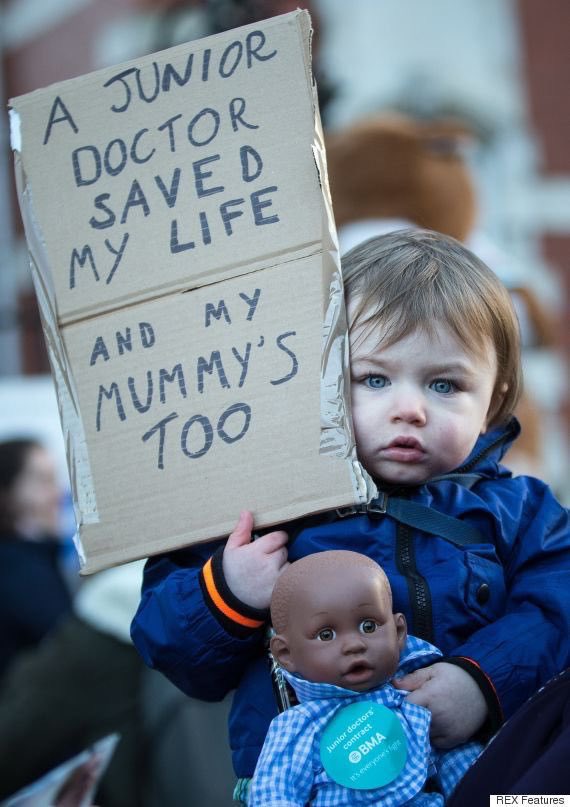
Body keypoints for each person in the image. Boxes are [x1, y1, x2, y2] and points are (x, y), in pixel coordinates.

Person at [131, 229, 570, 803]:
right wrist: (230, 591)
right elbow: (173, 651)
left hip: (487, 778)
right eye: (373, 379)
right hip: (310, 785)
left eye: (445, 384)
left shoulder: (523, 513)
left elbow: (559, 605)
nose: (408, 409)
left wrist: (481, 681)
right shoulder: (269, 507)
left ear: (494, 399)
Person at [249, 550, 481, 806]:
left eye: (368, 626)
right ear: (286, 653)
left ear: (399, 631)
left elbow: (463, 765)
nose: (353, 645)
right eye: (326, 635)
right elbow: (272, 795)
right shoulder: (298, 728)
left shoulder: (413, 701)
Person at [0, 437, 73, 679]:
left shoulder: (36, 559)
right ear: (7, 494)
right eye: (44, 481)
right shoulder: (18, 572)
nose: (57, 494)